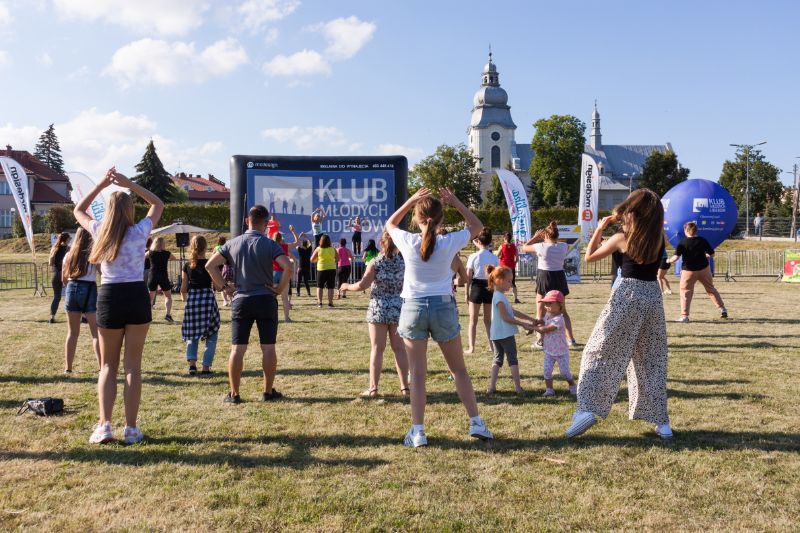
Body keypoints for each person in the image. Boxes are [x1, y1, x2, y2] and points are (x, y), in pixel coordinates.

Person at [387, 187, 493, 448]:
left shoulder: (408, 241)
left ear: (416, 218)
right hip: (443, 306)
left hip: (413, 308)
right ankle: (476, 422)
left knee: (418, 375)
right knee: (459, 371)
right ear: (440, 218)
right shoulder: (449, 242)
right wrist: (455, 200)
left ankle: (418, 431)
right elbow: (477, 225)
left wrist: (410, 199)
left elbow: (390, 223)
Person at [565, 189, 672, 440]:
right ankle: (662, 422)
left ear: (632, 211)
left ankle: (587, 408)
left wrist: (602, 228)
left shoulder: (623, 238)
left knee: (599, 350)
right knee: (651, 359)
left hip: (628, 295)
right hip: (653, 297)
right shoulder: (659, 238)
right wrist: (621, 216)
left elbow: (590, 257)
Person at [74, 168, 164, 445]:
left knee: (107, 367)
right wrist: (130, 184)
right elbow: (158, 204)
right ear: (128, 211)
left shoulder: (100, 230)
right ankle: (132, 428)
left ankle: (105, 425)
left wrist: (102, 183)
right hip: (136, 296)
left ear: (108, 211)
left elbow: (79, 209)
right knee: (132, 367)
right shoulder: (139, 231)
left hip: (110, 297)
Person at [206, 205, 293, 404]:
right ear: (266, 223)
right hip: (265, 299)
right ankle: (268, 391)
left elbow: (210, 265)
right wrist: (279, 289)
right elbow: (288, 266)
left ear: (247, 221)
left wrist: (224, 286)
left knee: (237, 349)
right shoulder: (270, 244)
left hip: (241, 300)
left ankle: (234, 394)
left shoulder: (232, 243)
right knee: (268, 348)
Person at [341, 231, 410, 398]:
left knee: (377, 349)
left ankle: (373, 389)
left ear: (381, 243)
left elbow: (363, 284)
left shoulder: (375, 262)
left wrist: (346, 286)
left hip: (378, 308)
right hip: (398, 309)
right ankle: (405, 388)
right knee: (399, 349)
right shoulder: (404, 263)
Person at [522, 221, 579, 347]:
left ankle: (540, 340)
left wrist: (535, 238)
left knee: (540, 311)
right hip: (559, 277)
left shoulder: (540, 246)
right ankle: (571, 339)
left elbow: (524, 247)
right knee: (563, 311)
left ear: (545, 236)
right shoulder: (563, 246)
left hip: (545, 276)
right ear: (557, 235)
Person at [485, 265, 536, 395]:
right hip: (505, 334)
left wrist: (529, 319)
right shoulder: (499, 297)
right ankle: (518, 387)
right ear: (499, 280)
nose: (511, 284)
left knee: (497, 360)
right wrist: (522, 324)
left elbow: (512, 311)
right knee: (512, 359)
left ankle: (492, 387)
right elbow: (506, 317)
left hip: (496, 335)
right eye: (509, 281)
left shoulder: (499, 296)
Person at [667, 221, 728, 322]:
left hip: (688, 271)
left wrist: (668, 260)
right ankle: (722, 309)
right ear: (696, 230)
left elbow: (675, 258)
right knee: (711, 289)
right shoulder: (702, 240)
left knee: (685, 292)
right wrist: (706, 256)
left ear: (686, 230)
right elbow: (712, 254)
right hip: (704, 269)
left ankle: (685, 316)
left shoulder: (682, 242)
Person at [61, 227, 100, 373]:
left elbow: (64, 280)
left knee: (72, 333)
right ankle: (102, 367)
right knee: (95, 333)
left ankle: (68, 368)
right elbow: (102, 272)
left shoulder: (68, 255)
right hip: (89, 288)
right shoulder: (94, 255)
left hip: (72, 288)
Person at [180, 235, 220, 376]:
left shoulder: (187, 265)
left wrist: (186, 301)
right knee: (212, 335)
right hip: (207, 299)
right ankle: (206, 367)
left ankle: (192, 365)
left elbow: (183, 288)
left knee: (192, 333)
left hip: (193, 300)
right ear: (206, 246)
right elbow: (217, 285)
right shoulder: (210, 263)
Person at [533, 290, 577, 397]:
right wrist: (538, 321)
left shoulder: (559, 319)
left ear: (560, 305)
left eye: (550, 303)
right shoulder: (548, 315)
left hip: (561, 352)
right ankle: (549, 390)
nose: (547, 306)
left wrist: (531, 327)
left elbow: (547, 329)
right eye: (546, 303)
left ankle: (572, 385)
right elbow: (544, 321)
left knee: (565, 372)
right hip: (549, 351)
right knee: (547, 371)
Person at [465, 228, 499, 354]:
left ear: (478, 241)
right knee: (488, 321)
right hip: (489, 287)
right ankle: (492, 346)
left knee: (473, 321)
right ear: (490, 241)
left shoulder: (473, 256)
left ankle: (471, 347)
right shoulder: (494, 257)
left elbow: (468, 276)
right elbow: (497, 276)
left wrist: (466, 293)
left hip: (476, 288)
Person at [273, 227, 305, 321]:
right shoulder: (285, 247)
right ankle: (287, 318)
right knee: (285, 298)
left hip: (273, 273)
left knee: (271, 298)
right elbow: (297, 242)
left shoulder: (270, 246)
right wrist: (293, 231)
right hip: (284, 273)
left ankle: (272, 318)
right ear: (281, 239)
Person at [147, 237, 176, 322]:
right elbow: (174, 258)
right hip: (163, 276)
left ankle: (148, 316)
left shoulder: (150, 252)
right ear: (163, 244)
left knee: (150, 298)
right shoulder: (167, 253)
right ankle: (168, 315)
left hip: (153, 275)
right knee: (168, 296)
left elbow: (142, 257)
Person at [48, 232, 70, 323]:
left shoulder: (54, 248)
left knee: (56, 297)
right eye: (69, 239)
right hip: (65, 274)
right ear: (67, 239)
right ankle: (72, 317)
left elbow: (50, 263)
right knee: (69, 296)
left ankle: (52, 316)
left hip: (55, 274)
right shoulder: (68, 249)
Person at [311, 235, 336, 308]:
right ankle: (330, 303)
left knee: (320, 286)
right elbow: (338, 258)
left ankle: (320, 303)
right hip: (331, 268)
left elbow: (312, 259)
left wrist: (317, 260)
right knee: (331, 287)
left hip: (321, 269)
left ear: (320, 241)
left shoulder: (318, 249)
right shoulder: (333, 249)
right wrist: (332, 261)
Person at [497, 232, 521, 303]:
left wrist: (501, 257)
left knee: (501, 282)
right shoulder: (514, 246)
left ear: (505, 238)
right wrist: (513, 263)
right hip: (511, 267)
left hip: (503, 266)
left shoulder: (502, 246)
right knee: (513, 283)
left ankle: (501, 298)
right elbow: (517, 258)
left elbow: (497, 255)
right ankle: (516, 299)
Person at [214, 236, 232, 306]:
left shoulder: (216, 248)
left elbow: (213, 255)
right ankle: (231, 300)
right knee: (231, 284)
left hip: (219, 266)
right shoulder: (227, 247)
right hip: (228, 266)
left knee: (223, 284)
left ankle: (225, 300)